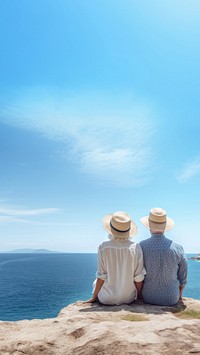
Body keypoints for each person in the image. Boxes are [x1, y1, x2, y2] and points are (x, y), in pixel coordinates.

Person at [85, 211, 145, 305]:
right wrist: (139, 295)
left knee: (95, 281)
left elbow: (101, 277)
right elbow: (138, 277)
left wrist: (94, 297)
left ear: (111, 229)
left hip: (106, 298)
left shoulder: (103, 247)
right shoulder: (136, 247)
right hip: (128, 298)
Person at [139, 207, 188, 306]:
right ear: (165, 226)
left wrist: (139, 295)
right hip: (171, 298)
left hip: (148, 297)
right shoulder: (178, 248)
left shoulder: (141, 246)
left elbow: (137, 274)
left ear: (149, 226)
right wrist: (179, 296)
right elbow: (183, 277)